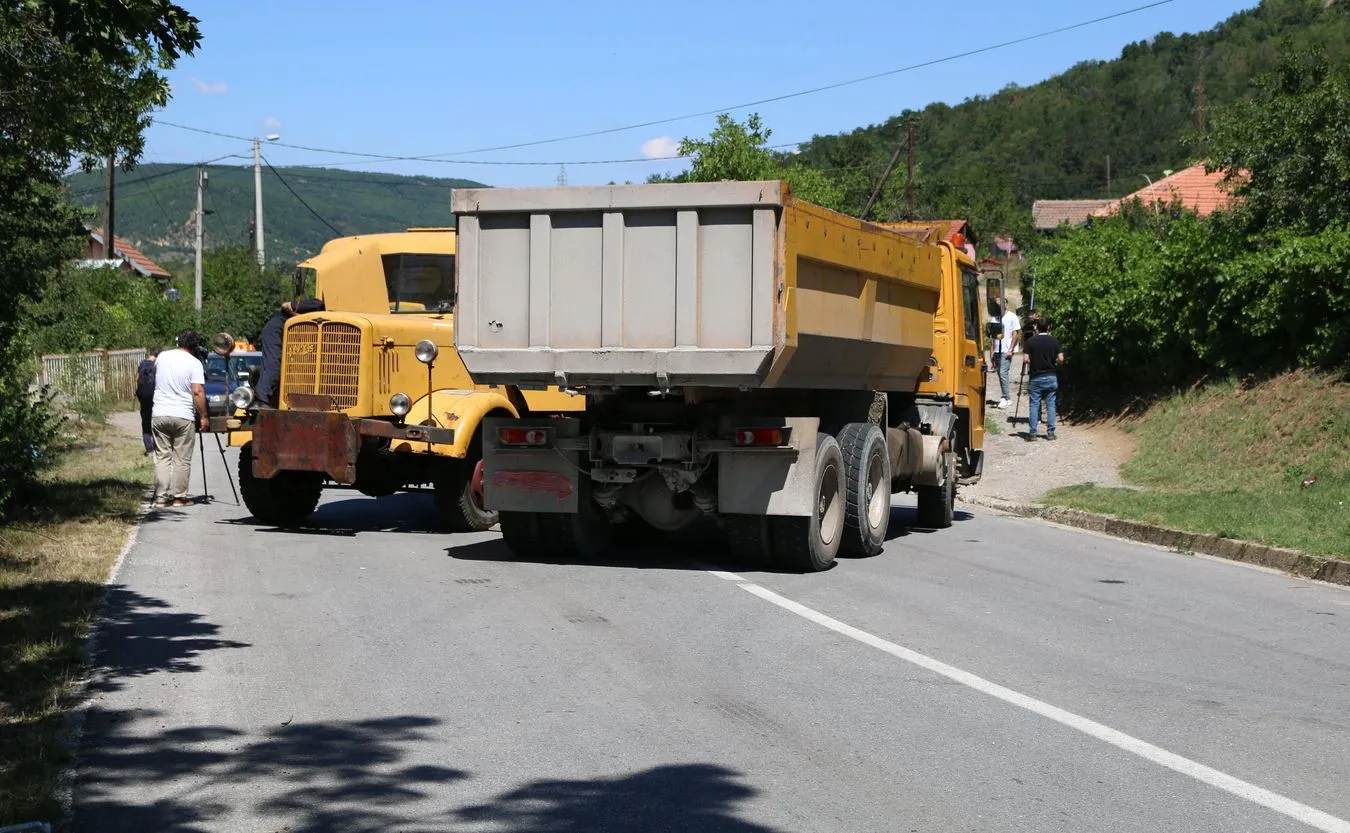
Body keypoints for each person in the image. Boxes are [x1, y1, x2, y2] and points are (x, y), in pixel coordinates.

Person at [151, 329, 208, 506]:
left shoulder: (162, 357)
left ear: (178, 342)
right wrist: (204, 416)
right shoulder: (194, 363)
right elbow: (197, 391)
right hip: (182, 415)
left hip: (160, 413)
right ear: (195, 345)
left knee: (162, 457)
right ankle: (179, 497)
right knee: (182, 458)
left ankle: (160, 497)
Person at [255, 298, 325, 408]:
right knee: (273, 364)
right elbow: (285, 305)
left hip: (290, 331)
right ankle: (262, 399)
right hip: (277, 329)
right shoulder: (315, 304)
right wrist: (297, 316)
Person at [1024, 318, 1064, 442]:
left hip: (1036, 376)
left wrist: (1034, 361)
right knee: (1050, 404)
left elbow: (1025, 359)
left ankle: (1033, 433)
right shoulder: (1055, 341)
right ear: (1048, 327)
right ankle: (1050, 432)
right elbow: (1061, 358)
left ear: (1036, 328)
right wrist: (1054, 362)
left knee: (1034, 404)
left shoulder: (1031, 342)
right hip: (1051, 376)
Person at [988, 303, 1021, 409]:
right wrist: (992, 351)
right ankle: (1006, 397)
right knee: (999, 373)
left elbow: (1015, 333)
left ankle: (1006, 398)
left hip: (1006, 350)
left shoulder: (1012, 316)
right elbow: (993, 337)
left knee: (1003, 373)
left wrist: (1010, 349)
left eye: (1003, 303)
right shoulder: (995, 318)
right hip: (997, 350)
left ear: (1006, 304)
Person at [134, 346, 161, 454]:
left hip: (144, 396)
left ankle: (148, 446)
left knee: (146, 421)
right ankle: (157, 445)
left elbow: (137, 379)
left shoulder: (142, 364)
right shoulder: (158, 365)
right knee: (157, 420)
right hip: (156, 396)